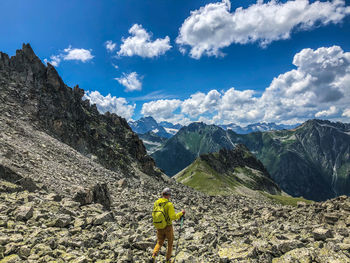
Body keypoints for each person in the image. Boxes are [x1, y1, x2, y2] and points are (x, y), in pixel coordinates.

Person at [150, 188, 185, 263]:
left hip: (159, 226)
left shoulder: (156, 202)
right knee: (170, 243)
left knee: (159, 242)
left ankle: (153, 256)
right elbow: (173, 217)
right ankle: (168, 260)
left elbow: (153, 214)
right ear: (168, 195)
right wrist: (181, 213)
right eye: (169, 195)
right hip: (168, 227)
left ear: (162, 194)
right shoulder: (169, 204)